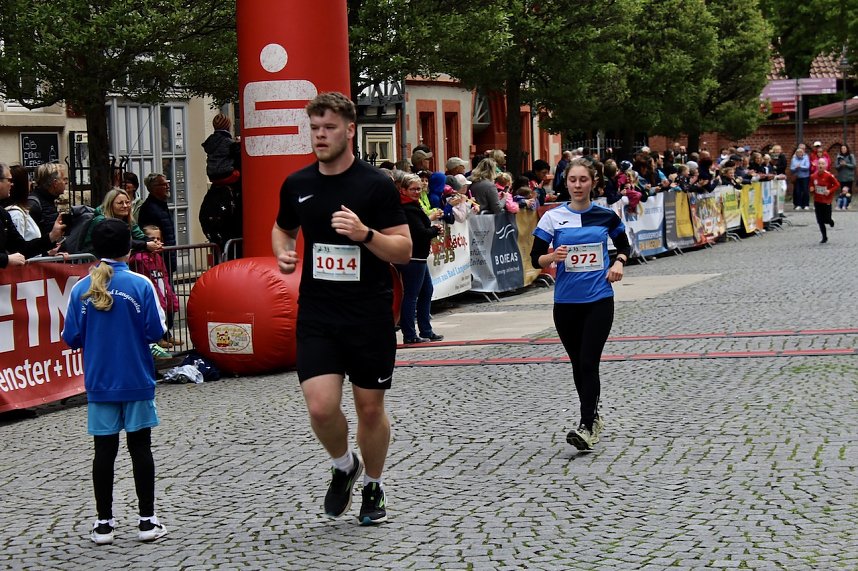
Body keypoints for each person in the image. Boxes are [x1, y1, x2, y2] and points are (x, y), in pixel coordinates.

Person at [271, 91, 411, 525]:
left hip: (368, 314)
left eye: (328, 128)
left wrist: (365, 233)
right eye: (314, 128)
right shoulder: (298, 184)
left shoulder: (374, 184)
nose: (319, 136)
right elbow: (281, 228)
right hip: (318, 312)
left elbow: (404, 249)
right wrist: (284, 253)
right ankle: (343, 464)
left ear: (350, 130)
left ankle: (373, 484)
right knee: (320, 406)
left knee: (370, 408)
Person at [61, 218, 169, 545]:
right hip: (136, 377)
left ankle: (103, 523)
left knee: (103, 452)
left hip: (100, 381)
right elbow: (157, 331)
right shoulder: (140, 284)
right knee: (140, 448)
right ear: (129, 249)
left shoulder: (81, 288)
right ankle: (147, 521)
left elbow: (71, 337)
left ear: (95, 249)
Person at [529, 158, 631, 451]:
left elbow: (624, 245)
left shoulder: (605, 215)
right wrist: (552, 258)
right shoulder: (552, 217)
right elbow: (536, 258)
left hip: (599, 299)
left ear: (593, 182)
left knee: (589, 361)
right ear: (566, 182)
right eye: (572, 180)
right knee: (578, 363)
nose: (577, 185)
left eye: (583, 180)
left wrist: (619, 262)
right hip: (566, 302)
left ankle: (586, 425)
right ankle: (593, 415)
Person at [395, 173, 444, 344]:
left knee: (426, 292)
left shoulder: (411, 205)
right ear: (403, 190)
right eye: (413, 189)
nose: (417, 192)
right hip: (413, 256)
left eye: (419, 188)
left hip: (418, 256)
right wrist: (435, 230)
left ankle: (426, 330)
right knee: (411, 295)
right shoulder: (407, 208)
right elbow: (419, 233)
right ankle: (410, 334)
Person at [0, 163, 64, 268]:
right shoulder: (15, 213)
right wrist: (6, 259)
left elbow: (22, 248)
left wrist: (51, 236)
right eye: (9, 180)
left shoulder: (3, 214)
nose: (12, 184)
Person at [130, 225, 180, 348]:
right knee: (154, 314)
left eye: (158, 238)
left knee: (167, 312)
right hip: (152, 289)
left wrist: (168, 291)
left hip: (162, 286)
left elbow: (165, 274)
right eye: (153, 239)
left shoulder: (157, 256)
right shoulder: (139, 258)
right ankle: (158, 338)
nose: (157, 242)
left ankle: (166, 334)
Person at [81, 188, 161, 256]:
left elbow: (139, 236)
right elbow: (117, 241)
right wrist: (145, 245)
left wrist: (154, 242)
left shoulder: (129, 220)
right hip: (97, 263)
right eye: (120, 203)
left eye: (127, 202)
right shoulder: (101, 221)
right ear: (110, 205)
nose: (125, 206)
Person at [29, 163, 68, 237]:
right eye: (64, 179)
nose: (65, 182)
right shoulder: (34, 204)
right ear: (55, 183)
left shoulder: (50, 199)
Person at [202, 113, 241, 184]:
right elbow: (238, 154)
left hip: (212, 175)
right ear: (227, 126)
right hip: (227, 174)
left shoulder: (210, 141)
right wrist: (238, 144)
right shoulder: (228, 142)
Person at [6, 165, 41, 240]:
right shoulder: (16, 215)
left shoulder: (22, 210)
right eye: (29, 180)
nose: (31, 183)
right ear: (22, 185)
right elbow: (19, 248)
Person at [810, 158, 838, 243]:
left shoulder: (829, 175)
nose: (820, 166)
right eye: (819, 164)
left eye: (822, 164)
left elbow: (837, 184)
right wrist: (811, 188)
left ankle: (830, 221)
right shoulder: (813, 176)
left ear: (825, 166)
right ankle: (824, 237)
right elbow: (811, 185)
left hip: (827, 200)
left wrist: (829, 191)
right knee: (820, 220)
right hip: (817, 200)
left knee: (826, 219)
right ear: (817, 166)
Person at [835, 144, 855, 210]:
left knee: (849, 191)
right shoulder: (839, 157)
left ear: (847, 149)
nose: (843, 150)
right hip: (841, 177)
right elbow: (836, 167)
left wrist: (846, 164)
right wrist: (840, 165)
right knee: (842, 191)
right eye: (842, 148)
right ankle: (842, 204)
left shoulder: (850, 156)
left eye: (844, 148)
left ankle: (849, 203)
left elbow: (854, 165)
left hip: (849, 177)